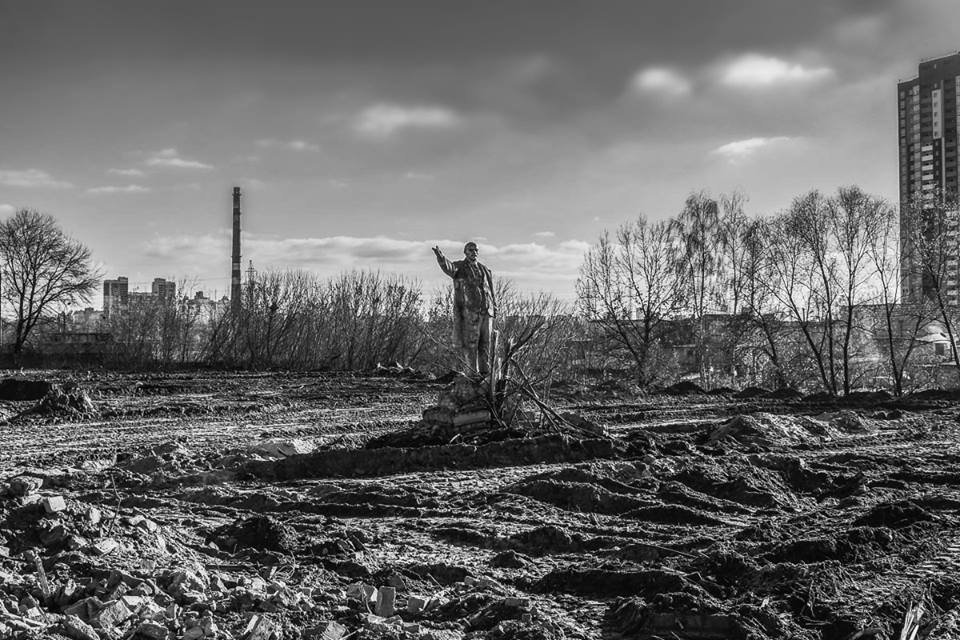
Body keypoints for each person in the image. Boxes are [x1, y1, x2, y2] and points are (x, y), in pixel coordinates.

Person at [432, 241, 496, 376]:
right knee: (471, 343)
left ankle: (485, 371)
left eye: (476, 250)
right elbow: (449, 268)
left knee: (486, 343)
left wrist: (494, 307)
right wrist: (441, 258)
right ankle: (472, 372)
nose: (474, 252)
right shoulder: (460, 267)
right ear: (465, 252)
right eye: (471, 250)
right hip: (471, 311)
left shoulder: (485, 269)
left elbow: (491, 290)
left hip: (487, 312)